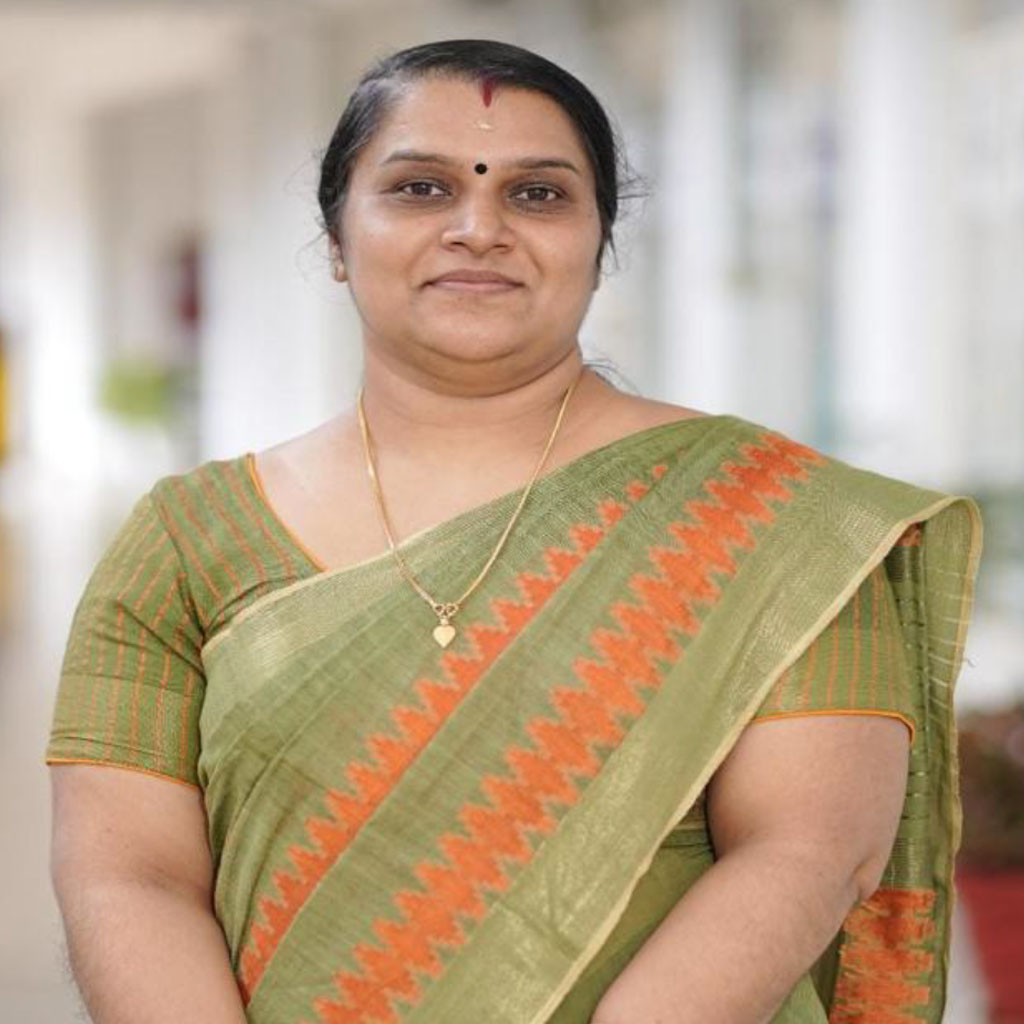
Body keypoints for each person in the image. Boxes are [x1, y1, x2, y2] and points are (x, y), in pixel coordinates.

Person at [45, 38, 981, 1024]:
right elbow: (129, 874)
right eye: (420, 188)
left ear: (599, 244)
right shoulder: (185, 543)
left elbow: (808, 849)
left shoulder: (773, 517)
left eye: (537, 195)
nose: (478, 228)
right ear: (335, 240)